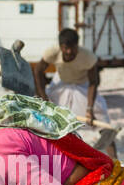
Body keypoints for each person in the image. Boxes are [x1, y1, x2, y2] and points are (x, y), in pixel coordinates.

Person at [34, 28, 116, 157]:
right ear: (60, 46)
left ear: (77, 46)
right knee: (47, 116)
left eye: (73, 48)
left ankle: (115, 159)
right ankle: (49, 153)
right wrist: (43, 97)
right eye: (66, 48)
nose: (69, 52)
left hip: (82, 85)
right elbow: (38, 70)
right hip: (60, 83)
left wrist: (89, 109)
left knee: (101, 114)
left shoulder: (88, 57)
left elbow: (93, 82)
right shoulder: (52, 52)